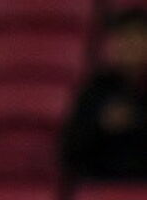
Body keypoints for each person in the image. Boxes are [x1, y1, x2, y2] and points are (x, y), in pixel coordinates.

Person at [62, 8, 147, 180]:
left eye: (138, 37)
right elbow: (70, 149)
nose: (131, 45)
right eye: (124, 38)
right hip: (102, 184)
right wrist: (101, 125)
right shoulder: (97, 88)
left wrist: (138, 120)